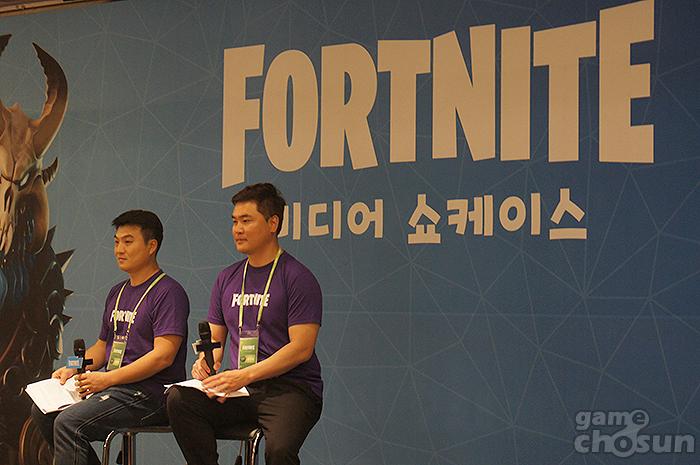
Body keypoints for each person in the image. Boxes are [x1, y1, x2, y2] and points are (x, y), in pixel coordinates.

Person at [166, 183, 323, 465]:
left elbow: (302, 348)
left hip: (291, 389)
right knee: (180, 400)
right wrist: (205, 363)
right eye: (234, 221)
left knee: (278, 451)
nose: (237, 229)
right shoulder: (227, 278)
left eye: (246, 221)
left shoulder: (297, 277)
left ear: (272, 223)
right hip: (242, 389)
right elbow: (214, 342)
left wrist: (244, 375)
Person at [30, 210, 190, 465]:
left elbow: (163, 356)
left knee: (69, 422)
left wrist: (106, 379)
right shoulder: (117, 292)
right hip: (115, 388)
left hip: (150, 395)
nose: (119, 250)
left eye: (128, 241)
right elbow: (102, 348)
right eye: (116, 242)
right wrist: (71, 367)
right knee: (44, 411)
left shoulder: (169, 293)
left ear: (151, 246)